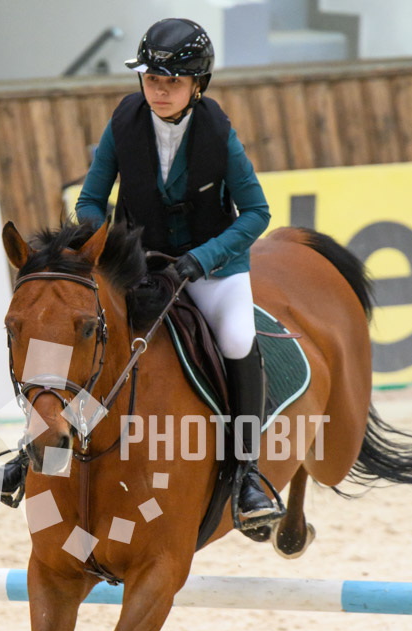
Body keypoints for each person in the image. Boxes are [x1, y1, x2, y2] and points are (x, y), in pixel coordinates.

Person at [76, 17, 280, 524]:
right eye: (151, 79)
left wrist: (200, 260)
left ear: (197, 84)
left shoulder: (218, 133)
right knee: (77, 324)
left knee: (236, 339)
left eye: (172, 81)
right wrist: (110, 249)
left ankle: (247, 473)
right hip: (139, 264)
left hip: (210, 267)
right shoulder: (123, 123)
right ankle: (31, 451)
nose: (159, 91)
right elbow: (90, 202)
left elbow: (257, 213)